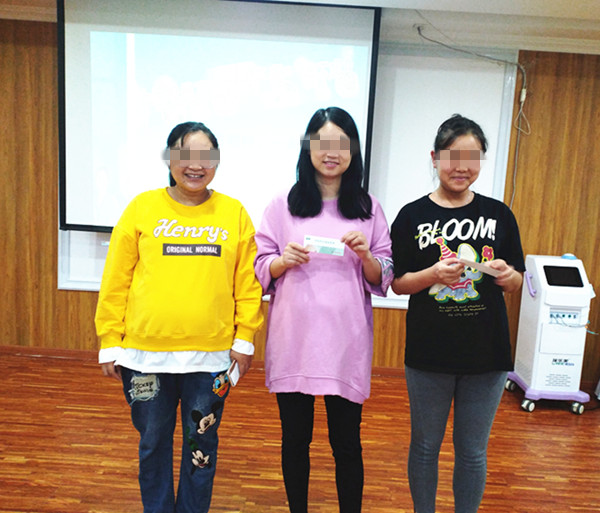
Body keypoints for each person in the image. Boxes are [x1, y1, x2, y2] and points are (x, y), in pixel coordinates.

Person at [95, 121, 264, 513]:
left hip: (211, 360)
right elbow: (116, 279)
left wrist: (244, 339)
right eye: (186, 154)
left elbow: (247, 283)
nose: (195, 165)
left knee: (200, 447)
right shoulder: (142, 208)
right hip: (145, 357)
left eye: (206, 156)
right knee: (153, 443)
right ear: (170, 158)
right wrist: (110, 340)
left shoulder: (234, 213)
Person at [254, 107, 393, 513]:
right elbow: (259, 267)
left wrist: (366, 256)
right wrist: (281, 261)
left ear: (353, 151)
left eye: (342, 144)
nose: (332, 153)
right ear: (308, 147)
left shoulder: (368, 208)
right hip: (294, 340)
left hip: (346, 343)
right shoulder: (282, 206)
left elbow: (383, 274)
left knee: (347, 442)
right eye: (323, 143)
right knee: (295, 440)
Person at [390, 114, 525, 513]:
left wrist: (508, 275)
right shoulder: (411, 216)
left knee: (473, 452)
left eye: (472, 157)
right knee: (425, 446)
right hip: (429, 352)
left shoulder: (499, 215)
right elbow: (398, 283)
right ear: (435, 158)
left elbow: (516, 278)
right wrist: (433, 275)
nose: (462, 166)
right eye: (452, 156)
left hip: (487, 353)